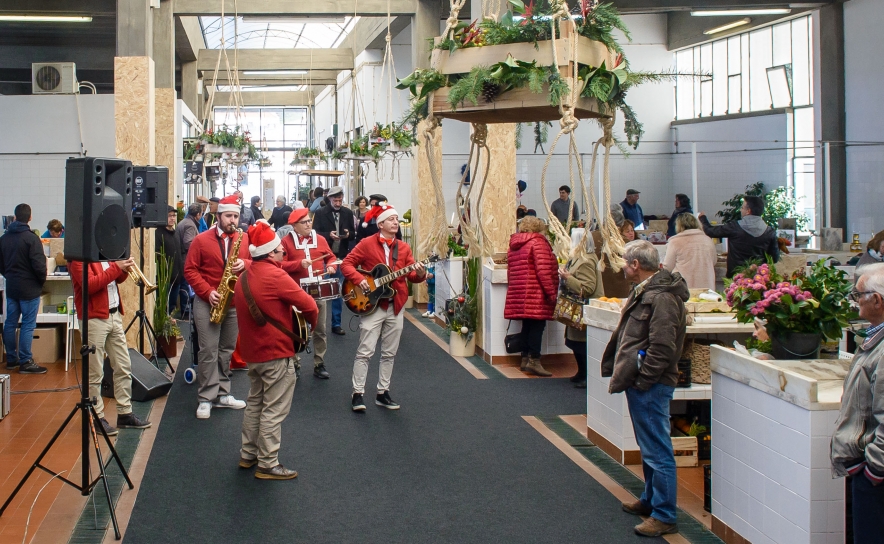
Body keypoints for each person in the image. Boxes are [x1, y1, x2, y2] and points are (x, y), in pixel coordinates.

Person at [602, 240, 688, 538]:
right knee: (649, 446)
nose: (623, 267)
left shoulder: (662, 298)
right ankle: (651, 500)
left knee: (657, 450)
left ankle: (664, 514)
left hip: (651, 385)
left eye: (625, 262)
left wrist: (644, 379)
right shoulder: (647, 291)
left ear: (636, 265)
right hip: (643, 383)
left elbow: (663, 347)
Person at [233, 221, 319, 480]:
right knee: (274, 409)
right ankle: (268, 463)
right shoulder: (276, 275)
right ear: (270, 253)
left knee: (255, 403)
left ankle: (248, 454)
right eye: (281, 250)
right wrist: (309, 331)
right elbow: (310, 306)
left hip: (253, 354)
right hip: (276, 353)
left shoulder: (243, 277)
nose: (284, 253)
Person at [341, 203, 426, 412]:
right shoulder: (366, 244)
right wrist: (360, 279)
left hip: (395, 306)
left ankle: (383, 392)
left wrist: (421, 273)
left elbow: (412, 276)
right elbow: (346, 264)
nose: (395, 222)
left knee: (389, 353)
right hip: (371, 305)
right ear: (380, 224)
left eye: (397, 219)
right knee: (365, 351)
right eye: (391, 219)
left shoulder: (404, 248)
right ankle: (357, 393)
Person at [831, 263, 884, 543]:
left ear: (877, 300)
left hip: (877, 477)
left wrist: (873, 470)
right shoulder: (875, 338)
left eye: (858, 294)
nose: (855, 300)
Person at [183, 195, 250, 419]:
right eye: (229, 216)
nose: (233, 220)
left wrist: (246, 263)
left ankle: (223, 393)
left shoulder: (244, 238)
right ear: (218, 216)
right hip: (207, 301)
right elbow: (190, 270)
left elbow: (255, 263)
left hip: (233, 303)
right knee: (208, 350)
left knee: (226, 350)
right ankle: (205, 397)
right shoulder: (201, 240)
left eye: (236, 216)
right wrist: (208, 291)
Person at [68, 258, 152, 435]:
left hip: (113, 315)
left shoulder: (106, 254)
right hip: (93, 319)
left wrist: (123, 269)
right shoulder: (78, 257)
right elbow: (90, 286)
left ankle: (125, 413)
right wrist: (116, 268)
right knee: (95, 372)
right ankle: (96, 417)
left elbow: (116, 279)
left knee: (123, 365)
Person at [279, 207, 338, 379]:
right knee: (295, 329)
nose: (308, 224)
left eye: (309, 221)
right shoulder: (285, 242)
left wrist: (332, 265)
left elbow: (331, 256)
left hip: (318, 290)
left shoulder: (319, 239)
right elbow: (279, 265)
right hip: (296, 292)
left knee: (320, 329)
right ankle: (295, 363)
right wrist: (298, 265)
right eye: (304, 222)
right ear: (294, 225)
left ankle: (319, 363)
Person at [504, 216, 558, 377]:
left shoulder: (514, 245)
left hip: (520, 292)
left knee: (527, 325)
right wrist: (551, 293)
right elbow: (544, 272)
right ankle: (534, 360)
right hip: (535, 292)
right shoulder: (538, 242)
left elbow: (511, 272)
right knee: (537, 327)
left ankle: (525, 358)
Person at [0, 204, 48, 374]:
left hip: (12, 287)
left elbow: (1, 265)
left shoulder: (4, 238)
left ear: (15, 217)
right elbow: (39, 265)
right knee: (28, 324)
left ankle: (11, 359)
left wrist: (10, 276)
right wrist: (40, 281)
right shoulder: (31, 238)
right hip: (29, 288)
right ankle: (26, 361)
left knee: (10, 323)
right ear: (30, 217)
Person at [558, 230, 602, 388]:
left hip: (584, 309)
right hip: (577, 308)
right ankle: (582, 372)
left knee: (581, 344)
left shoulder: (586, 261)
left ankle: (586, 375)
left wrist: (568, 278)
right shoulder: (580, 258)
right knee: (575, 342)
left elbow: (588, 288)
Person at [698, 195, 778, 278]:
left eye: (742, 208)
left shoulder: (734, 227)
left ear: (748, 211)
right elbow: (774, 258)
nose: (740, 210)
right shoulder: (770, 231)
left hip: (735, 277)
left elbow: (711, 231)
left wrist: (703, 218)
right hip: (758, 279)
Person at [313, 186, 355, 336]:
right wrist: (328, 235)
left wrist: (348, 234)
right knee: (321, 292)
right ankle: (316, 324)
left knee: (337, 291)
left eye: (340, 200)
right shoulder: (320, 213)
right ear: (329, 199)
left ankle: (336, 323)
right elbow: (315, 233)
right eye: (335, 200)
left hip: (341, 255)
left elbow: (353, 234)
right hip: (324, 256)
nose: (338, 202)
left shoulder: (348, 213)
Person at [663, 213, 718, 290]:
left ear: (679, 225)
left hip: (683, 289)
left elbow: (667, 267)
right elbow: (714, 261)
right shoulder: (708, 240)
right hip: (707, 287)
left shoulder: (675, 242)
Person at [592, 205, 632, 299]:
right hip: (620, 292)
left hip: (597, 290)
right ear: (622, 224)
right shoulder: (625, 242)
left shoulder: (592, 237)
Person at [155, 206, 186, 315]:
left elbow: (182, 251)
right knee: (162, 308)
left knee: (172, 307)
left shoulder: (176, 232)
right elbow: (157, 254)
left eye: (174, 216)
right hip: (165, 280)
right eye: (169, 216)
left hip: (177, 278)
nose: (172, 218)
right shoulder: (158, 233)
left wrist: (182, 269)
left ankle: (170, 329)